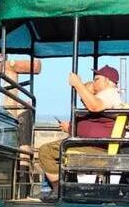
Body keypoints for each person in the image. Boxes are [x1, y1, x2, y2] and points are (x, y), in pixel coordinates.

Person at [38, 65, 123, 194]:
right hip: (91, 144)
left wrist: (78, 84)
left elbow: (95, 106)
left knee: (46, 151)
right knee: (56, 149)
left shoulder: (110, 94)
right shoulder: (106, 95)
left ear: (107, 80)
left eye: (97, 79)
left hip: (95, 146)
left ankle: (58, 190)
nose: (94, 82)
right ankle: (64, 189)